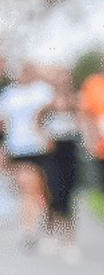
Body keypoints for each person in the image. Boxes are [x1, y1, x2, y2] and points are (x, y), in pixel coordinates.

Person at [0, 63, 56, 252]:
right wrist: (4, 141)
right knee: (28, 186)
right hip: (20, 148)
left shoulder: (44, 91)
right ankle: (29, 229)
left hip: (42, 147)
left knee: (42, 189)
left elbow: (56, 109)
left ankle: (46, 218)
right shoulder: (10, 94)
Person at [39, 77, 83, 263]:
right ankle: (54, 233)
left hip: (70, 151)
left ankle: (69, 239)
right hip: (54, 152)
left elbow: (83, 125)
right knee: (55, 192)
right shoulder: (49, 108)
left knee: (68, 196)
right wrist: (43, 138)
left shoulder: (76, 107)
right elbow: (37, 122)